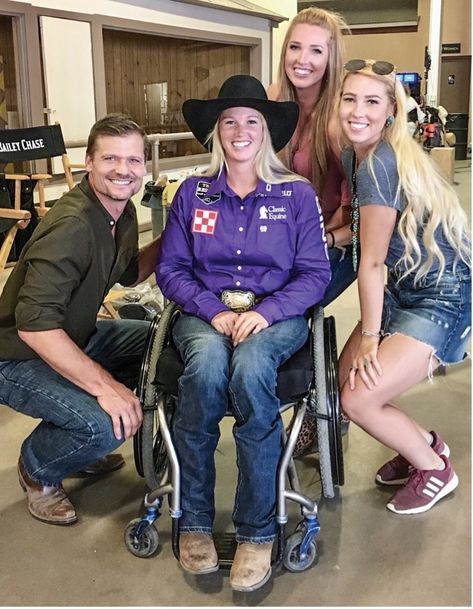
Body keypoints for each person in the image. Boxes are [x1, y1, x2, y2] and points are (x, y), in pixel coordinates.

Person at [156, 75, 330, 591]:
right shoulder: (192, 193)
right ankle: (193, 524)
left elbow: (316, 274)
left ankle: (257, 532)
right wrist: (211, 310)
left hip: (274, 318)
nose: (240, 130)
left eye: (251, 121)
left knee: (253, 369)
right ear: (216, 132)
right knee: (205, 370)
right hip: (204, 315)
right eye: (229, 121)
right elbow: (171, 270)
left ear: (265, 132)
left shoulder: (296, 196)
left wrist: (269, 311)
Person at [0, 113, 161, 525]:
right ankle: (38, 468)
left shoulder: (119, 211)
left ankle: (76, 440)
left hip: (73, 335)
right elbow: (34, 326)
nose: (123, 170)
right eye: (110, 159)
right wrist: (105, 386)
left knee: (155, 341)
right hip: (15, 356)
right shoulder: (72, 225)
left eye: (133, 160)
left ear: (144, 165)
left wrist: (175, 235)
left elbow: (128, 274)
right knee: (108, 424)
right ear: (89, 162)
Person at [337, 59, 471, 514]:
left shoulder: (380, 164)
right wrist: (332, 234)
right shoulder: (352, 154)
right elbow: (372, 227)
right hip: (407, 284)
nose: (358, 111)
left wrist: (371, 338)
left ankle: (435, 470)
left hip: (442, 294)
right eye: (350, 98)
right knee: (345, 378)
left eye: (372, 101)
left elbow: (372, 262)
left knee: (358, 397)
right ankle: (423, 442)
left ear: (391, 109)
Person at [267, 7, 353, 455]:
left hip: (334, 244)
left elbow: (365, 207)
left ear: (330, 58)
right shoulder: (273, 100)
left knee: (287, 314)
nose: (303, 59)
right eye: (295, 47)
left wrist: (329, 240)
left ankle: (319, 413)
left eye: (315, 50)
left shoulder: (339, 119)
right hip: (283, 242)